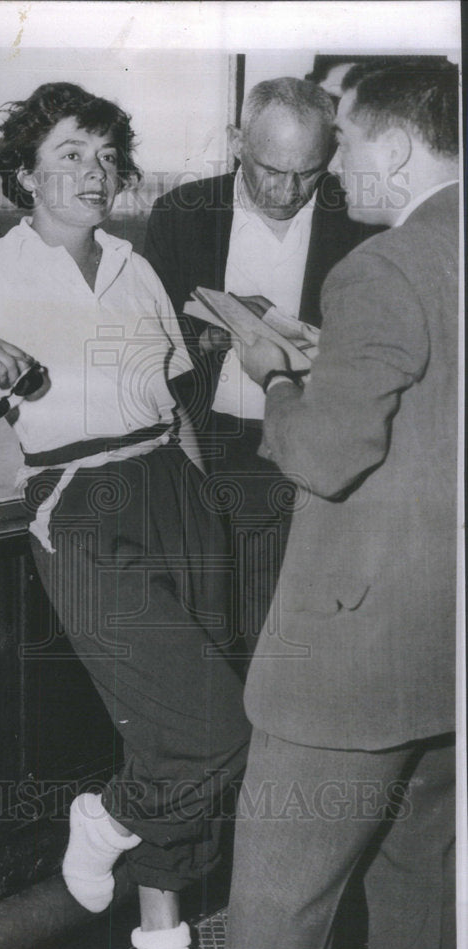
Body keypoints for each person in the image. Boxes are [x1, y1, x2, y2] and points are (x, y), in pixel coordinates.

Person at [0, 82, 250, 949]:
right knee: (211, 729)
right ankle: (106, 817)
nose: (95, 170)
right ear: (23, 175)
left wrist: (199, 494)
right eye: (71, 152)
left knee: (172, 732)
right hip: (77, 500)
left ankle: (160, 941)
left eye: (107, 155)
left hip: (173, 488)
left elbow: (172, 400)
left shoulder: (133, 264)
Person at [223, 61, 459, 949]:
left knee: (279, 910)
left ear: (395, 145)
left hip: (352, 657)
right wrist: (341, 360)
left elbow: (325, 456)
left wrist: (275, 375)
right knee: (420, 897)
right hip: (449, 647)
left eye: (348, 139)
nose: (336, 161)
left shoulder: (382, 263)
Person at [144, 77, 380, 660]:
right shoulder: (182, 214)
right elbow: (151, 338)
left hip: (309, 443)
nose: (288, 189)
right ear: (235, 142)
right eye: (271, 168)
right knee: (212, 620)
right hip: (207, 440)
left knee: (297, 624)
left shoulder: (360, 221)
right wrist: (205, 336)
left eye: (308, 171)